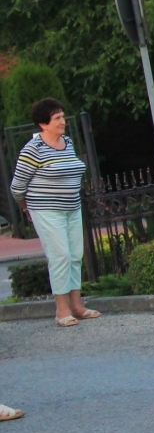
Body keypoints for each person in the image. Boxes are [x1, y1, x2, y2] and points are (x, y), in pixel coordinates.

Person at [10, 98, 98, 328]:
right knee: (60, 256)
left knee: (75, 254)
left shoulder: (67, 142)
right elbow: (17, 186)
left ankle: (77, 306)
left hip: (72, 207)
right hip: (46, 210)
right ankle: (62, 311)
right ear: (43, 124)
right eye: (57, 118)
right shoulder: (32, 150)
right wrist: (25, 208)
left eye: (62, 117)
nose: (63, 122)